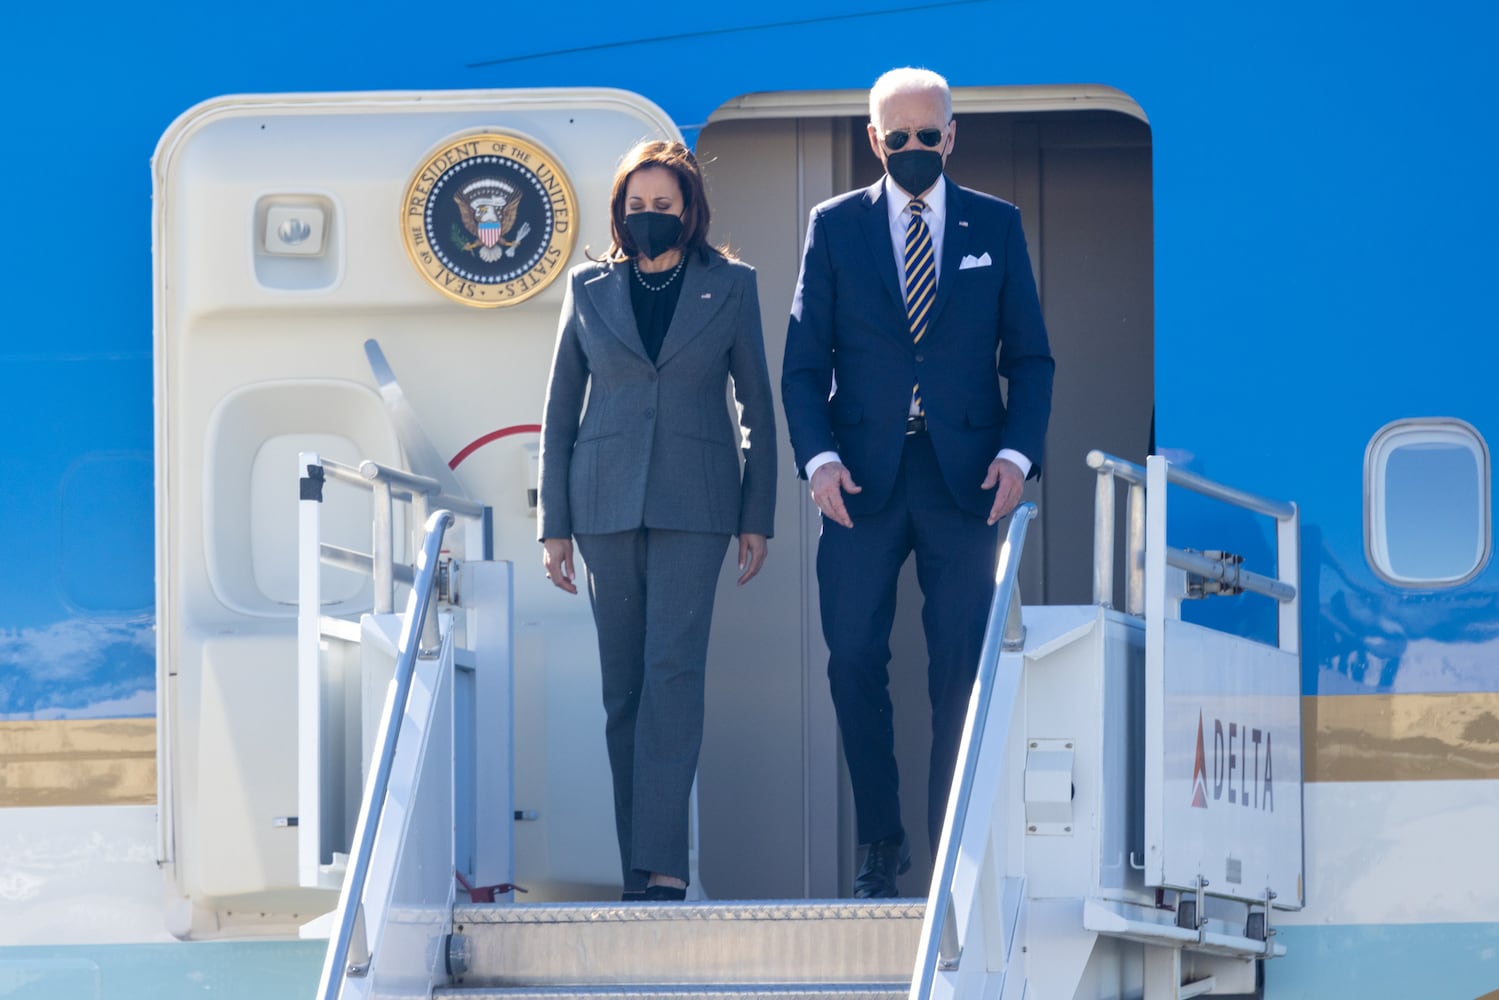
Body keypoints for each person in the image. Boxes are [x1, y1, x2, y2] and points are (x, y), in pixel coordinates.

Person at [781, 68, 1054, 897]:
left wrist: (1016, 455)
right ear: (873, 140)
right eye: (893, 137)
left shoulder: (995, 226)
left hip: (963, 482)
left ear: (951, 133)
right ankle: (881, 842)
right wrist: (819, 461)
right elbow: (801, 368)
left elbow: (1031, 359)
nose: (910, 149)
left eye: (925, 135)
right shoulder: (833, 227)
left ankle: (948, 852)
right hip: (859, 484)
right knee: (853, 658)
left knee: (958, 666)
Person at [538, 139, 778, 901]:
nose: (647, 217)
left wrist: (756, 515)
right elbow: (557, 415)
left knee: (672, 677)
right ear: (620, 211)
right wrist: (555, 524)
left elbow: (757, 411)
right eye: (635, 206)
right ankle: (632, 871)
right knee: (624, 691)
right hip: (604, 505)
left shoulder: (730, 286)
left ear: (688, 209)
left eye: (661, 206)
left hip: (696, 505)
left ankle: (664, 870)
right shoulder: (586, 288)